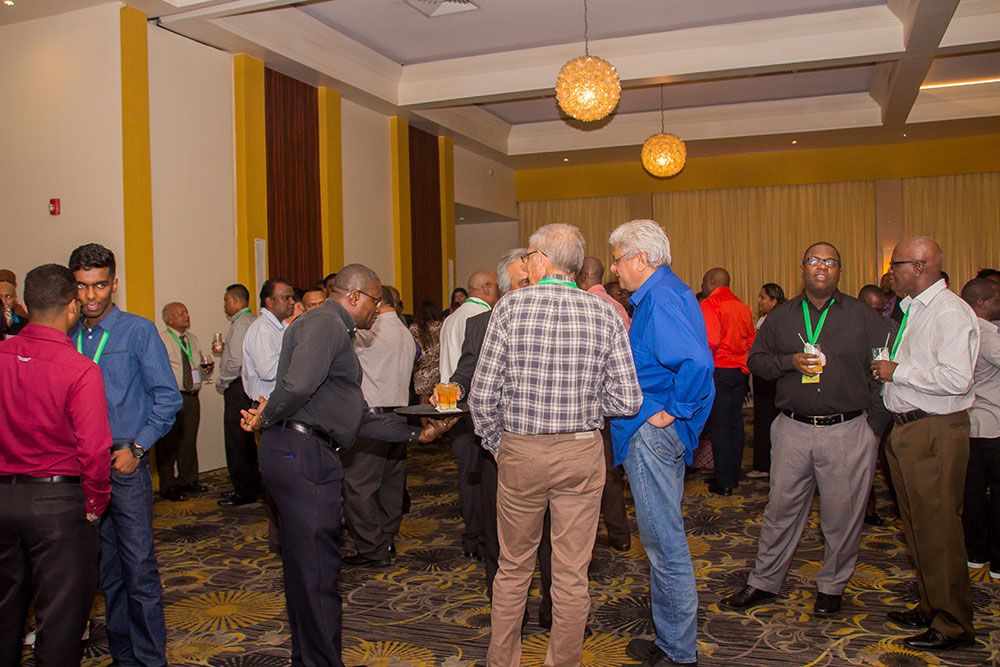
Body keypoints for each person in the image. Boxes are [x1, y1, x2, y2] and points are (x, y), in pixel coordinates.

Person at [239, 263, 454, 667]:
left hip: (302, 448)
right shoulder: (326, 323)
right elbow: (296, 386)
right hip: (302, 452)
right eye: (375, 300)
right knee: (317, 572)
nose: (379, 309)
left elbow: (355, 415)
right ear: (354, 296)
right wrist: (266, 417)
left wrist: (416, 435)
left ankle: (309, 658)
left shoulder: (331, 327)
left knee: (306, 570)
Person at [471, 224, 641, 667]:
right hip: (581, 453)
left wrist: (497, 444)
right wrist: (586, 406)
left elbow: (482, 396)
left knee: (513, 568)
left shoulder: (510, 308)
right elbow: (628, 399)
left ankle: (501, 661)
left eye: (529, 255)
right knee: (571, 573)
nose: (526, 262)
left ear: (542, 260)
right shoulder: (604, 312)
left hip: (521, 451)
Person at [720, 242, 886, 621]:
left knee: (842, 516)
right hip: (792, 429)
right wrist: (789, 362)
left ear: (839, 270)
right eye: (814, 260)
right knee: (779, 510)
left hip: (847, 430)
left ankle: (832, 587)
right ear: (802, 269)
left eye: (830, 262)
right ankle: (764, 582)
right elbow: (756, 361)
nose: (821, 267)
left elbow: (883, 373)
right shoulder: (780, 317)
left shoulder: (863, 316)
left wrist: (874, 428)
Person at [69, 243, 182, 667]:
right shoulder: (68, 335)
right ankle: (124, 658)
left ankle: (151, 660)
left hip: (125, 464)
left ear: (114, 284)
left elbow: (168, 398)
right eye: (82, 287)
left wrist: (137, 448)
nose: (91, 296)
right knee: (106, 572)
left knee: (139, 570)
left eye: (99, 285)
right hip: (82, 468)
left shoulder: (138, 331)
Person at [608, 220, 714, 667]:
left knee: (665, 545)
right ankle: (671, 638)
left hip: (653, 435)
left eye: (618, 259)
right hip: (653, 434)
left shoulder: (662, 298)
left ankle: (679, 652)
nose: (614, 269)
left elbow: (697, 363)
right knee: (661, 542)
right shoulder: (662, 294)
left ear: (640, 259)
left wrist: (673, 410)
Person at [0, 264, 112, 666]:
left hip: (2, 499)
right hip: (58, 504)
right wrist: (95, 502)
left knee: (4, 616)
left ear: (25, 305)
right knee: (60, 626)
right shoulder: (81, 369)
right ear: (72, 306)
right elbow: (94, 450)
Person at [871, 236, 979, 651]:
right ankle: (932, 605)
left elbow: (957, 378)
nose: (890, 273)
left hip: (934, 430)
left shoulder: (949, 312)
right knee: (918, 526)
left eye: (895, 265)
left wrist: (897, 372)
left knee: (938, 528)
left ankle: (952, 622)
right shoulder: (915, 307)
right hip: (910, 429)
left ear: (919, 267)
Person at [436, 248, 537, 605]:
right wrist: (454, 388)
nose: (532, 286)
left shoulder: (552, 317)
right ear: (505, 287)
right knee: (496, 527)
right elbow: (466, 371)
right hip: (496, 443)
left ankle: (554, 609)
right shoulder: (479, 324)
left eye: (534, 279)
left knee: (549, 531)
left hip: (543, 443)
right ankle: (502, 603)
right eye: (524, 282)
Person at [342, 285, 418, 567]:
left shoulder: (367, 333)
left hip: (373, 420)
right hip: (399, 417)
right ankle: (386, 539)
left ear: (376, 302)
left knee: (357, 486)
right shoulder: (405, 333)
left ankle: (371, 547)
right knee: (390, 485)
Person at [440, 270, 500, 559]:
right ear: (487, 288)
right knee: (484, 478)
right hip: (477, 410)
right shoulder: (484, 319)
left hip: (453, 406)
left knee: (468, 475)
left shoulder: (451, 318)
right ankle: (484, 538)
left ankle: (472, 536)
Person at [576, 256, 632, 551]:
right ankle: (620, 535)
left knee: (582, 477)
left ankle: (583, 542)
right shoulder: (617, 307)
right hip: (614, 402)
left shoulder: (582, 306)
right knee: (610, 472)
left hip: (587, 402)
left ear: (582, 277)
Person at [700, 267, 755, 495]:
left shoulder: (710, 304)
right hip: (739, 372)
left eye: (704, 282)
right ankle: (732, 476)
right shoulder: (743, 306)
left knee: (720, 426)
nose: (702, 287)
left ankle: (723, 482)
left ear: (712, 282)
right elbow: (751, 341)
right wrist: (743, 364)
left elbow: (710, 341)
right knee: (735, 423)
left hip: (719, 370)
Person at [960, 278, 1000, 580]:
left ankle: (975, 553)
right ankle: (997, 561)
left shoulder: (963, 329)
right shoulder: (986, 335)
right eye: (997, 299)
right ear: (982, 303)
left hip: (970, 423)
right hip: (993, 425)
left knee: (972, 493)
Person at [155, 302, 210, 501]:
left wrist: (206, 371)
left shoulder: (192, 339)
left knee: (188, 441)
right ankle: (168, 486)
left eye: (186, 312)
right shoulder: (162, 340)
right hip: (171, 398)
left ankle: (188, 480)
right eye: (180, 313)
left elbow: (196, 365)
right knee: (167, 443)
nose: (186, 315)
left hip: (192, 397)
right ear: (169, 319)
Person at [215, 284, 260, 507]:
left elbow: (236, 361)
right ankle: (251, 485)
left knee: (237, 441)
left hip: (237, 387)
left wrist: (222, 381)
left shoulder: (242, 323)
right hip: (247, 386)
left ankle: (244, 490)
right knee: (246, 441)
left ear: (235, 300)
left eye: (226, 300)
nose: (224, 305)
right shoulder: (251, 320)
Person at [748, 283, 785, 479]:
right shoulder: (764, 318)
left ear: (774, 301)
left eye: (763, 297)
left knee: (769, 420)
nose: (759, 301)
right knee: (762, 419)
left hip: (771, 377)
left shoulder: (776, 320)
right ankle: (763, 464)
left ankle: (767, 464)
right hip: (761, 375)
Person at [242, 278, 295, 404]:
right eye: (286, 298)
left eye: (292, 297)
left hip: (276, 403)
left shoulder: (280, 326)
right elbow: (268, 372)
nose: (292, 302)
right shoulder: (263, 329)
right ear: (270, 302)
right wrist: (299, 361)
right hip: (266, 404)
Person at [409, 299, 443, 402]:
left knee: (423, 400)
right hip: (438, 368)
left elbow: (413, 349)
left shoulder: (414, 328)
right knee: (438, 400)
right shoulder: (441, 326)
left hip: (421, 369)